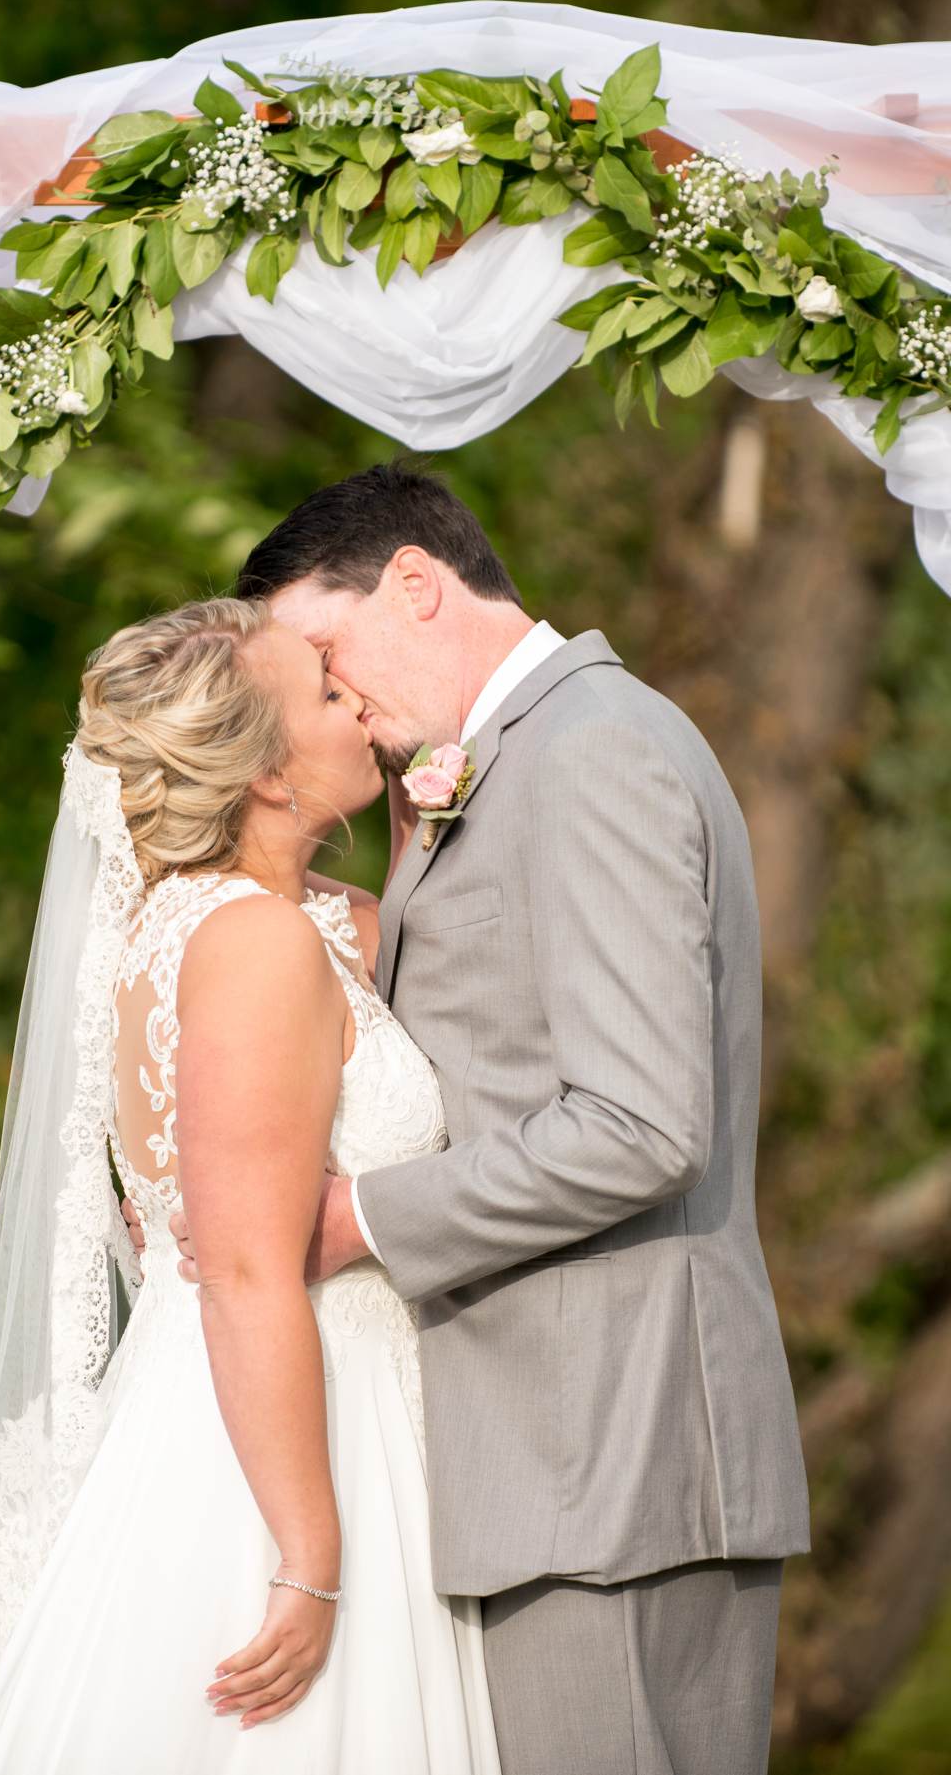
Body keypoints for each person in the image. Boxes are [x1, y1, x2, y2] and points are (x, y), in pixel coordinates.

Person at [137, 462, 811, 1775]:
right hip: (549, 1469)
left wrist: (353, 1216)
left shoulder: (592, 751)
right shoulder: (512, 765)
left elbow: (638, 1123)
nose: (335, 702)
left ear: (415, 582)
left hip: (617, 1465)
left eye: (328, 653)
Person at [0, 596, 502, 1775]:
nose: (359, 701)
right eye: (329, 694)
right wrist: (308, 1551)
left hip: (354, 1398)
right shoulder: (252, 942)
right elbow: (241, 1271)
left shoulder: (313, 919)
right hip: (282, 1442)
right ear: (268, 775)